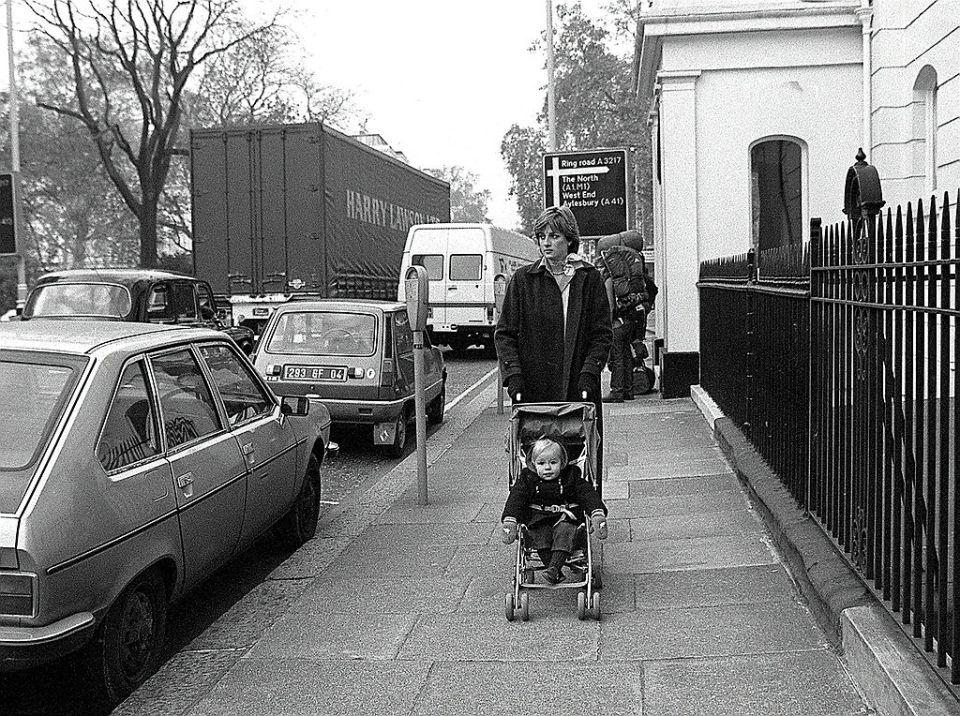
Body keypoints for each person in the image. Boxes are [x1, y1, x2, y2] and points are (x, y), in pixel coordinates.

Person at [494, 205, 612, 474]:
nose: (546, 242)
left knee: (581, 460)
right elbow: (505, 334)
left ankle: (582, 511)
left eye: (554, 236)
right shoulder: (524, 280)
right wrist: (514, 377)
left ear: (569, 239)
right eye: (542, 236)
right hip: (534, 388)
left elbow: (602, 333)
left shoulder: (588, 277)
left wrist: (590, 372)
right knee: (536, 461)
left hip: (577, 385)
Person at [501, 437, 608, 584]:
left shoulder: (571, 476)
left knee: (565, 531)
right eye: (541, 463)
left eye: (553, 462)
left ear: (562, 462)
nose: (547, 468)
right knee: (538, 535)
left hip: (565, 517)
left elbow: (587, 494)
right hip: (538, 518)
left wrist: (596, 512)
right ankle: (553, 569)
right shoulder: (527, 479)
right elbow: (516, 499)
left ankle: (553, 569)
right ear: (533, 464)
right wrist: (510, 519)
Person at [597, 243, 648, 402]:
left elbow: (611, 306)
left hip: (618, 323)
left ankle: (617, 392)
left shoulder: (609, 280)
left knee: (617, 357)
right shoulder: (626, 280)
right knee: (626, 355)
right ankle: (628, 391)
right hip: (631, 319)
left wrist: (608, 322)